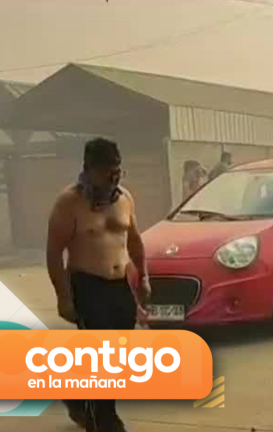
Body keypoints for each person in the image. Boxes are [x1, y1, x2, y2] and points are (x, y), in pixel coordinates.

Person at [46, 137, 151, 432]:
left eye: (118, 170)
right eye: (107, 171)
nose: (114, 177)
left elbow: (134, 240)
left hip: (120, 286)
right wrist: (63, 297)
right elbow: (54, 252)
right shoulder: (69, 202)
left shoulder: (124, 198)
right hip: (87, 285)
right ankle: (104, 419)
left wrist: (143, 277)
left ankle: (76, 397)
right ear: (88, 169)